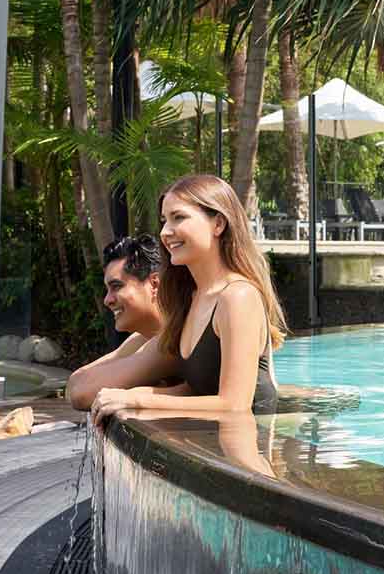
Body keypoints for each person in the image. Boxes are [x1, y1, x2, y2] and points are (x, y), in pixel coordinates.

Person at [91, 174, 286, 420]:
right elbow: (195, 390)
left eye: (178, 217)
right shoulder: (192, 298)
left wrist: (136, 400)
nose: (165, 232)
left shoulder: (238, 296)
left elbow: (235, 404)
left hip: (244, 453)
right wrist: (126, 395)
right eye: (164, 220)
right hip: (208, 448)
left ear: (218, 224)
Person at [66, 234, 180, 410]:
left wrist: (138, 395)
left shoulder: (176, 336)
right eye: (107, 289)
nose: (107, 300)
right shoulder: (142, 339)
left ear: (154, 284)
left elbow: (82, 393)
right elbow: (75, 384)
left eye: (117, 286)